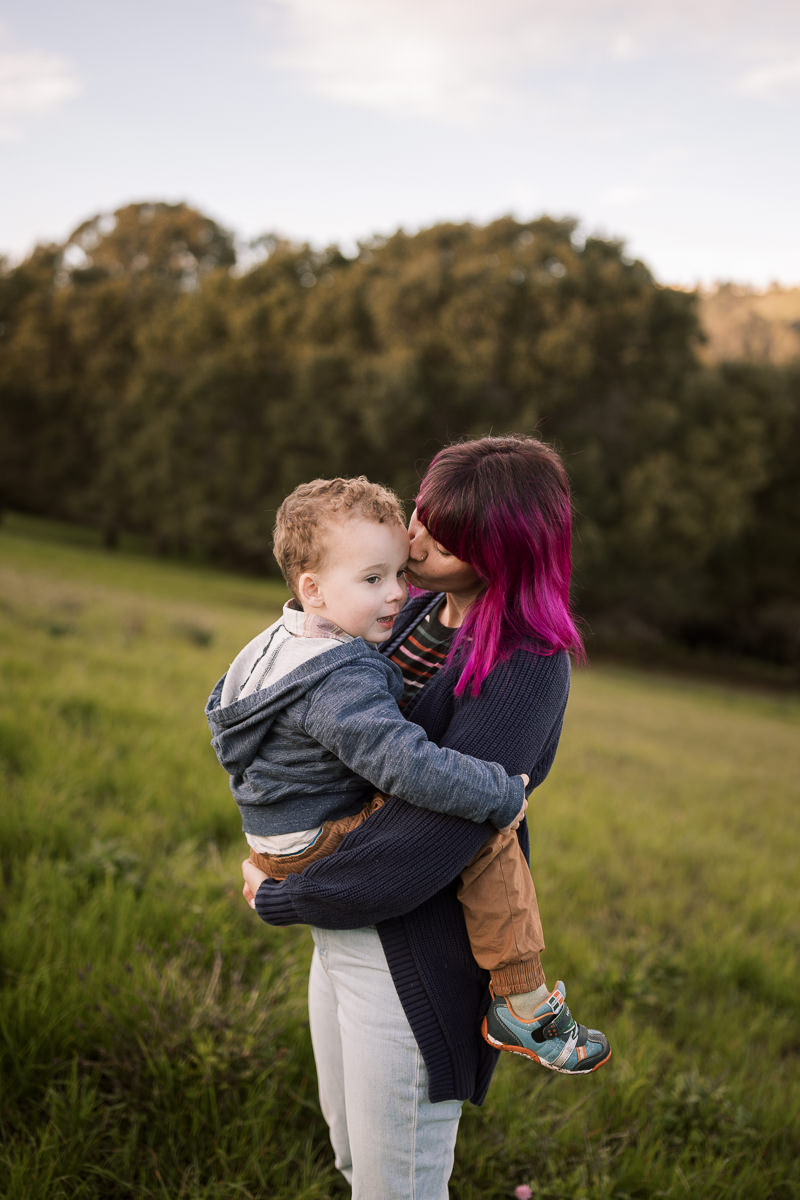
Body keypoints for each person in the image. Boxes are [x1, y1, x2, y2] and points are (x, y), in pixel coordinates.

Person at [239, 437, 610, 1199]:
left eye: (447, 535)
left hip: (411, 956)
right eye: (422, 514)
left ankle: (525, 1003)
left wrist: (284, 893)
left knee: (397, 1187)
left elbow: (430, 838)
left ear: (502, 551)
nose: (416, 539)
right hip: (343, 930)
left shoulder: (526, 662)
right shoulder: (411, 613)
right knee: (352, 1162)